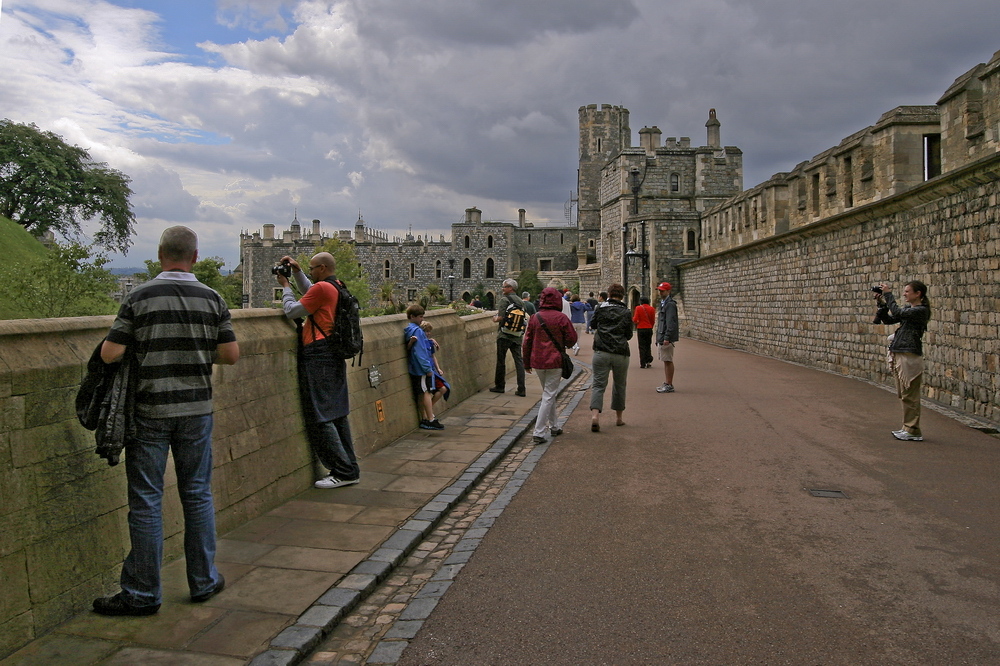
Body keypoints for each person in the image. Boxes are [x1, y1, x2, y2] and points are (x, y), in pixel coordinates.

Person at [93, 226, 239, 617]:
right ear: (194, 257)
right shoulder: (212, 298)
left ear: (160, 256)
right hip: (196, 411)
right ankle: (204, 580)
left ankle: (142, 594)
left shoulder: (139, 296)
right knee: (197, 493)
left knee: (146, 501)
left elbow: (110, 354)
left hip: (150, 411)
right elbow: (230, 354)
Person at [277, 252, 361, 489]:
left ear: (323, 268)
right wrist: (297, 271)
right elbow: (311, 291)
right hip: (333, 352)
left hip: (319, 354)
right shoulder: (335, 286)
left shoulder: (322, 288)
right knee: (337, 413)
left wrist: (285, 287)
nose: (311, 272)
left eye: (313, 268)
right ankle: (350, 469)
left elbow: (292, 311)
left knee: (321, 414)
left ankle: (342, 472)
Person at [874, 281, 931, 441]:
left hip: (910, 355)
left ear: (918, 293)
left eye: (907, 291)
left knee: (909, 394)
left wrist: (888, 294)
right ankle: (907, 427)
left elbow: (897, 312)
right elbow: (889, 320)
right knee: (904, 394)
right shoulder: (909, 310)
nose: (904, 294)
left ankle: (913, 430)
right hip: (901, 352)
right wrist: (881, 304)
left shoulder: (921, 311)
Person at [523, 287, 577, 444]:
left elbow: (527, 342)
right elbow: (572, 339)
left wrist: (526, 362)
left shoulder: (535, 317)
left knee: (549, 393)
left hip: (538, 361)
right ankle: (539, 432)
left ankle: (554, 426)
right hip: (555, 360)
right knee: (548, 395)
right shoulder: (561, 318)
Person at [589, 283, 633, 432]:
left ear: (609, 294)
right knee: (620, 385)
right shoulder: (626, 312)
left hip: (601, 351)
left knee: (598, 385)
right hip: (620, 352)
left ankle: (595, 416)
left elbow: (593, 324)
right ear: (622, 295)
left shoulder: (600, 308)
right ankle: (619, 418)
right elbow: (629, 334)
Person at [405, 306, 445, 429]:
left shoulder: (410, 330)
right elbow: (420, 352)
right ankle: (430, 419)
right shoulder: (417, 331)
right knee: (426, 392)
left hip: (415, 367)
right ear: (412, 316)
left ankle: (426, 417)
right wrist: (428, 369)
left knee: (424, 393)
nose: (422, 319)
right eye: (420, 317)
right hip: (420, 369)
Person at [490, 279, 528, 396]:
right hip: (517, 335)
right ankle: (521, 388)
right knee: (519, 361)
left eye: (505, 287)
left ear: (510, 288)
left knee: (501, 361)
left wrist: (494, 319)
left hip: (504, 334)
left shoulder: (504, 300)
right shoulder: (521, 301)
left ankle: (500, 386)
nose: (503, 289)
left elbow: (501, 317)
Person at [655, 281, 679, 393]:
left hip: (666, 337)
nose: (660, 292)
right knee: (665, 360)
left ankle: (669, 384)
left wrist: (667, 337)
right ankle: (667, 382)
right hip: (662, 335)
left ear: (668, 291)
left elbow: (670, 322)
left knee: (668, 360)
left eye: (662, 291)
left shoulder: (670, 304)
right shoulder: (663, 303)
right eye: (659, 290)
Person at [633, 296, 656, 368]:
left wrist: (635, 320)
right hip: (649, 328)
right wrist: (650, 326)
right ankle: (648, 361)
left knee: (641, 346)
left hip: (641, 328)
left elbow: (635, 319)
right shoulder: (652, 309)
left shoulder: (638, 308)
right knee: (648, 345)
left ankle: (642, 363)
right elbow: (652, 320)